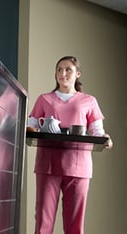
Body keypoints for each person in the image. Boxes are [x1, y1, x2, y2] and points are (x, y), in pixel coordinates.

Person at [27, 56, 113, 234]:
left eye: (68, 70)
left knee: (75, 223)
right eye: (59, 69)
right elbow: (32, 126)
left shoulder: (89, 101)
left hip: (79, 166)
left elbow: (97, 131)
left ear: (78, 74)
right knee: (43, 221)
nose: (62, 73)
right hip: (48, 165)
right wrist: (32, 130)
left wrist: (105, 138)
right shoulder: (44, 99)